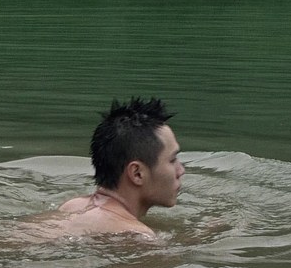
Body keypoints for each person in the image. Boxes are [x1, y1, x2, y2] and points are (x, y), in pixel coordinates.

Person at [26, 97, 185, 240]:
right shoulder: (137, 236)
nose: (181, 170)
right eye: (172, 160)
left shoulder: (72, 206)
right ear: (137, 173)